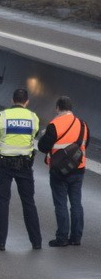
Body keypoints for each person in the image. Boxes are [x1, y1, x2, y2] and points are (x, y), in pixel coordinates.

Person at [0, 87, 42, 251]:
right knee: (29, 203)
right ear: (27, 101)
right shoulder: (33, 117)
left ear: (12, 100)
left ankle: (0, 243)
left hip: (4, 165)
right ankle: (36, 242)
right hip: (25, 166)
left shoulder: (1, 116)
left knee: (2, 203)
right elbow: (34, 135)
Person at [38, 96, 90, 247]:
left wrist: (44, 135)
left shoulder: (54, 125)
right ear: (71, 108)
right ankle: (76, 237)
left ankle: (62, 238)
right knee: (76, 203)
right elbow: (85, 145)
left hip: (58, 171)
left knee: (60, 204)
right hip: (78, 169)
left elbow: (43, 147)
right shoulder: (83, 124)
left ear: (57, 108)